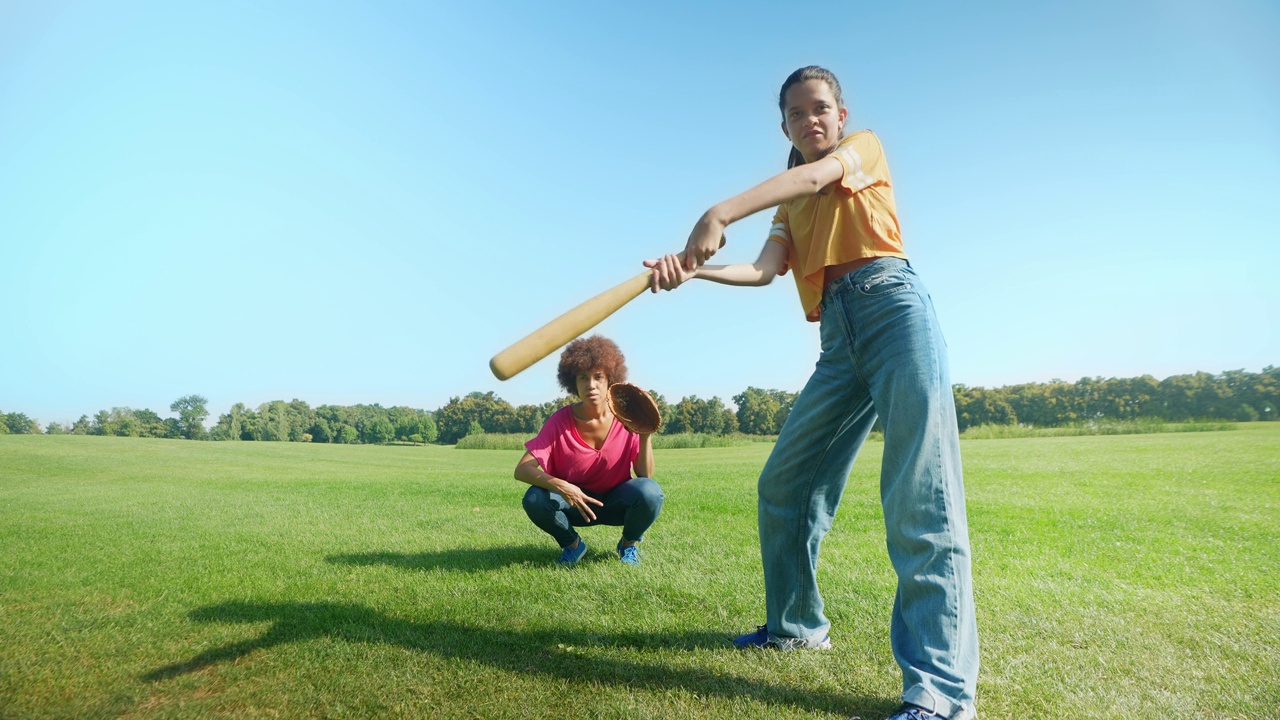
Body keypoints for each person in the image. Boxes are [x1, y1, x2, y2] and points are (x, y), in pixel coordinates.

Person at [645, 66, 979, 720]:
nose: (811, 121)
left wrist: (717, 212)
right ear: (784, 126)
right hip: (838, 337)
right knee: (785, 484)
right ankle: (798, 628)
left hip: (892, 311)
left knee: (921, 499)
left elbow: (809, 176)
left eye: (820, 108)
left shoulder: (863, 151)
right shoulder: (788, 204)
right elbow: (765, 270)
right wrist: (695, 269)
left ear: (842, 113)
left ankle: (941, 696)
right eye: (797, 115)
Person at [515, 335, 664, 566]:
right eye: (583, 378)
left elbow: (645, 476)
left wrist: (644, 436)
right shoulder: (560, 421)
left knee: (650, 492)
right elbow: (522, 470)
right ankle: (573, 546)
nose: (591, 385)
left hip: (616, 503)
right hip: (574, 504)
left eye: (598, 377)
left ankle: (628, 545)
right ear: (573, 383)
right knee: (534, 497)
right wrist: (562, 486)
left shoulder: (626, 418)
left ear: (610, 381)